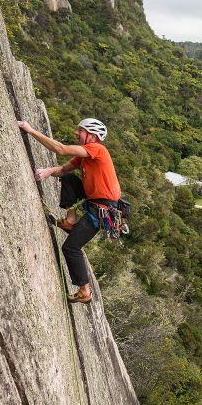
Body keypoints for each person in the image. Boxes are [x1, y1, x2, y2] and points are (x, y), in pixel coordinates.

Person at [17, 117, 120, 304]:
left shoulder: (98, 149)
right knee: (68, 178)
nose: (76, 133)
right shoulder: (84, 157)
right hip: (93, 202)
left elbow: (61, 149)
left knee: (71, 248)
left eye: (80, 131)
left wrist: (30, 131)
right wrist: (49, 171)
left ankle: (85, 291)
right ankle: (70, 221)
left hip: (102, 210)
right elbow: (63, 169)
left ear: (92, 136)